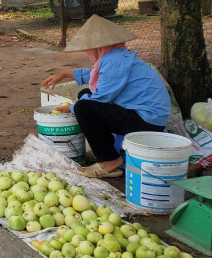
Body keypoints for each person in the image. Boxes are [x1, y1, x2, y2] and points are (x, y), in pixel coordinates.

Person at [41, 15, 171, 179]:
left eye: (90, 48)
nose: (88, 52)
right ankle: (107, 152)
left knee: (83, 107)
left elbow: (102, 97)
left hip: (147, 121)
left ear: (99, 47)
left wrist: (72, 108)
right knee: (84, 96)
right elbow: (99, 76)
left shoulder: (113, 61)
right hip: (143, 116)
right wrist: (65, 74)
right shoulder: (115, 56)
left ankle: (109, 160)